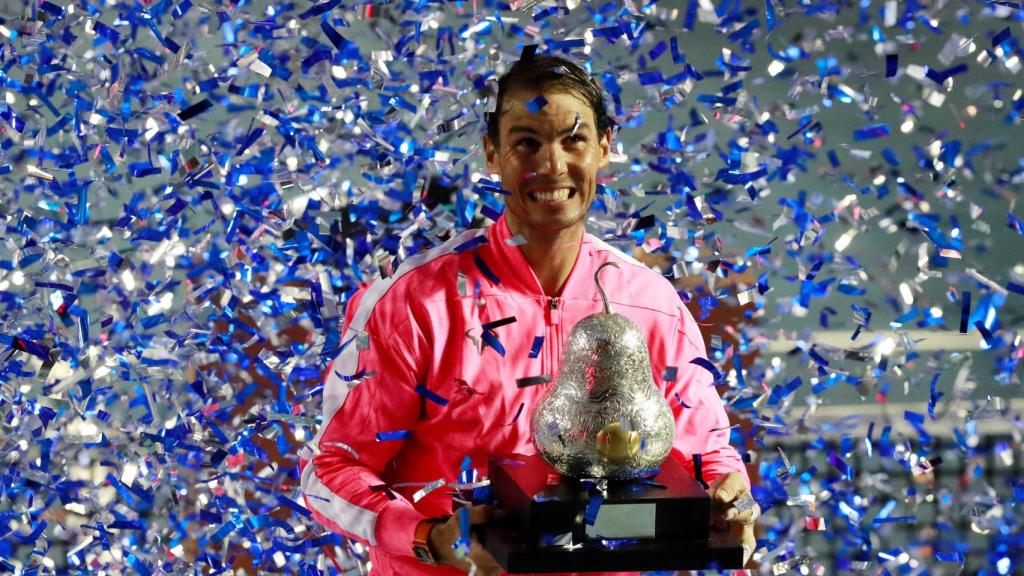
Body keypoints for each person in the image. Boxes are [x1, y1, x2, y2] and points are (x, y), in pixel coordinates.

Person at [300, 53, 759, 576]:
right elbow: (329, 470)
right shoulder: (416, 303)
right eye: (527, 142)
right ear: (492, 154)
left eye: (573, 139)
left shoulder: (651, 303)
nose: (553, 164)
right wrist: (430, 538)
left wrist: (731, 500)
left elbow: (710, 457)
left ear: (605, 148)